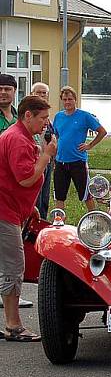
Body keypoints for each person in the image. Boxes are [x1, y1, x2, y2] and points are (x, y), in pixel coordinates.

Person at [0, 95, 56, 341]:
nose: (46, 124)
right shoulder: (19, 140)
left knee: (7, 265)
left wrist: (29, 206)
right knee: (13, 267)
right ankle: (13, 326)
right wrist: (46, 156)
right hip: (4, 211)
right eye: (42, 118)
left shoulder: (17, 135)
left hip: (12, 208)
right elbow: (25, 178)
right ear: (28, 115)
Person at [52, 86, 107, 212]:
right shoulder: (58, 117)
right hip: (61, 162)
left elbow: (102, 132)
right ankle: (59, 222)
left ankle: (94, 217)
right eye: (64, 99)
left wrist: (89, 145)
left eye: (70, 99)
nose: (67, 102)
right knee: (59, 196)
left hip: (78, 161)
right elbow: (57, 136)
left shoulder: (84, 116)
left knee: (86, 194)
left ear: (75, 100)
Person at [32, 82, 54, 219]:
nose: (41, 95)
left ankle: (42, 223)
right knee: (35, 197)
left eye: (43, 93)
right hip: (35, 161)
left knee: (44, 197)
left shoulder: (48, 117)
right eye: (38, 92)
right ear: (32, 94)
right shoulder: (28, 115)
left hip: (48, 161)